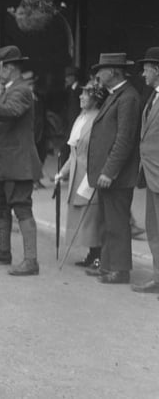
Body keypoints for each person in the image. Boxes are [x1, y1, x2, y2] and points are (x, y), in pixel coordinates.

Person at [0, 46, 42, 276]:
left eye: (0, 68)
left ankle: (31, 261)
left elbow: (11, 112)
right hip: (5, 161)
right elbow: (2, 118)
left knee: (22, 209)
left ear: (11, 69)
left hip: (18, 162)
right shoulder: (8, 90)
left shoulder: (22, 90)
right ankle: (4, 252)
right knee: (1, 207)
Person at [85, 53, 142, 284]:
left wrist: (109, 171)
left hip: (116, 175)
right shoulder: (116, 95)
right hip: (108, 173)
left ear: (114, 71)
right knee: (109, 221)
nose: (98, 75)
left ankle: (119, 270)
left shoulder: (128, 97)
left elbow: (124, 140)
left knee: (117, 222)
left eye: (102, 70)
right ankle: (108, 265)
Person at [54, 81, 107, 268]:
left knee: (93, 215)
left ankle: (99, 254)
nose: (80, 96)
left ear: (95, 99)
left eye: (85, 94)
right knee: (84, 214)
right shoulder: (81, 117)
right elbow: (74, 152)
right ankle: (92, 254)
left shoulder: (97, 119)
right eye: (82, 93)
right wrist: (63, 172)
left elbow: (97, 150)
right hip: (77, 173)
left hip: (89, 173)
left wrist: (94, 173)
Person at [133, 47, 159, 294]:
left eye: (146, 69)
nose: (143, 74)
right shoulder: (153, 97)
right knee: (153, 227)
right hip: (152, 174)